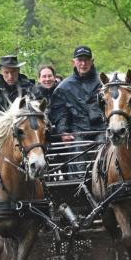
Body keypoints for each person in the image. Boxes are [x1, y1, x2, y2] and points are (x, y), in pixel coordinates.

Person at [49, 46, 106, 178]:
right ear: (73, 62)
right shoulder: (64, 87)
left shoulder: (103, 83)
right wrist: (63, 132)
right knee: (78, 150)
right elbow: (59, 113)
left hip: (101, 129)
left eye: (86, 60)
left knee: (105, 147)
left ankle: (107, 182)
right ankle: (79, 188)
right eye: (80, 60)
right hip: (78, 131)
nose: (83, 63)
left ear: (92, 61)